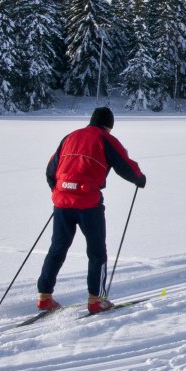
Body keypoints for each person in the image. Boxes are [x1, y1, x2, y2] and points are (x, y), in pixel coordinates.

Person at [37, 106, 145, 313]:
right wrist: (139, 178)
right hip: (88, 204)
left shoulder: (70, 137)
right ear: (108, 125)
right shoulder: (105, 139)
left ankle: (44, 297)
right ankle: (96, 300)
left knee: (57, 248)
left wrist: (60, 191)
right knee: (97, 252)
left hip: (62, 202)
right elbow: (124, 164)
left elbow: (51, 169)